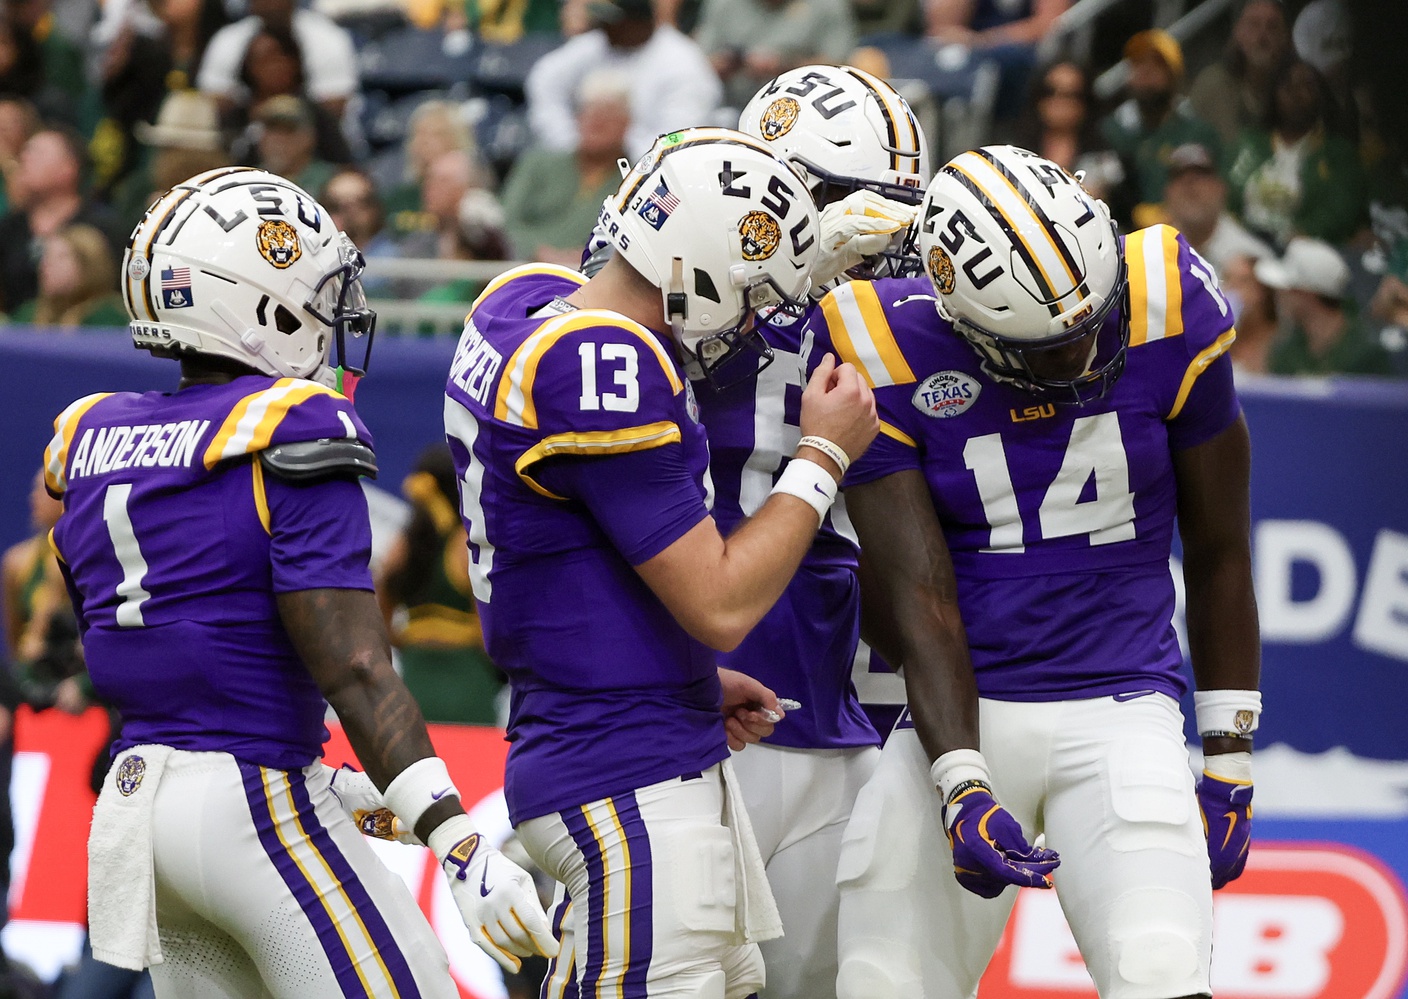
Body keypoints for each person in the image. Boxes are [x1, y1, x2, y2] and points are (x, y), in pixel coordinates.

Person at [45, 166, 556, 993]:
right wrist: (458, 842)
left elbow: (132, 638)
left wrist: (327, 775)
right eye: (314, 295)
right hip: (248, 801)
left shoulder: (89, 435)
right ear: (257, 301)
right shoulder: (292, 424)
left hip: (137, 806)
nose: (330, 318)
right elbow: (355, 664)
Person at [809, 145, 1262, 999]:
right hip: (966, 704)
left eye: (1095, 320)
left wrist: (1230, 752)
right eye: (1052, 346)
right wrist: (960, 783)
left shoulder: (1167, 290)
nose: (1085, 354)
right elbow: (920, 594)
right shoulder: (881, 338)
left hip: (1123, 703)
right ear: (963, 322)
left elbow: (1220, 544)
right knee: (880, 979)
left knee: (1160, 966)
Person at [444, 126, 878, 997]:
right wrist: (822, 456)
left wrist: (676, 678)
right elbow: (719, 606)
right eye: (753, 294)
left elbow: (567, 550)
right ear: (702, 272)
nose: (755, 320)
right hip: (624, 782)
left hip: (599, 734)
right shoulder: (607, 361)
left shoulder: (520, 301)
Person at [376, 445, 503, 725]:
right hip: (468, 682)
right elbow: (487, 631)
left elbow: (380, 617)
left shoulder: (402, 546)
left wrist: (412, 640)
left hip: (415, 683)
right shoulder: (466, 545)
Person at [525, 0, 722, 159]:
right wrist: (570, 142)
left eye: (613, 21)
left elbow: (677, 140)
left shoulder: (683, 64)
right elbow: (544, 79)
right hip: (586, 161)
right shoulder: (600, 42)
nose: (603, 26)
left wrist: (616, 155)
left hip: (647, 173)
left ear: (638, 22)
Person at [1224, 57, 1366, 249]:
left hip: (1306, 250)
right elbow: (1225, 192)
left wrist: (1300, 234)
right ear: (1274, 93)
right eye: (1287, 85)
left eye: (1307, 85)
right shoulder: (1249, 143)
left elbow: (1340, 212)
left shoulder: (1339, 153)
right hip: (1241, 245)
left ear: (1321, 95)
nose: (1296, 93)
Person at [501, 68, 632, 266]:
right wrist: (538, 252)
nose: (597, 121)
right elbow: (505, 220)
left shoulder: (635, 181)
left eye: (608, 113)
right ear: (578, 118)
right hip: (523, 270)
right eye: (590, 111)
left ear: (627, 124)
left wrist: (593, 256)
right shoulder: (537, 163)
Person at [1100, 30, 1221, 227]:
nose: (1145, 72)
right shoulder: (1113, 131)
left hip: (1184, 230)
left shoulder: (1197, 133)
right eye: (1138, 63)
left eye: (1157, 64)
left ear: (1175, 75)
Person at [0, 127, 124, 314]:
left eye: (38, 153)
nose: (24, 158)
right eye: (25, 151)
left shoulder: (103, 228)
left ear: (69, 169)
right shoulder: (10, 227)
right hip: (20, 333)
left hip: (86, 333)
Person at [196, 0, 358, 123]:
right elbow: (211, 103)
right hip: (243, 133)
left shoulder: (327, 37)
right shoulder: (229, 38)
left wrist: (281, 113)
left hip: (317, 141)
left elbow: (335, 107)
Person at [1258, 236, 1393, 376]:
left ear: (1307, 293)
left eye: (1289, 288)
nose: (1280, 295)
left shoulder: (1364, 351)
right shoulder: (1287, 351)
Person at [695, 0, 857, 109]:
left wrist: (784, 66)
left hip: (806, 108)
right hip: (731, 105)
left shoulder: (828, 5)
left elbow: (840, 68)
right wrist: (731, 61)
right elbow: (697, 66)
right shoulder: (722, 4)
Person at [1010, 60, 1121, 200]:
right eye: (1050, 91)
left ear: (1086, 101)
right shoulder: (1013, 153)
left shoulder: (1104, 161)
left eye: (1071, 94)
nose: (1059, 100)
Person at [1160, 142, 1273, 275]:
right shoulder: (1150, 255)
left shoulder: (1251, 257)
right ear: (1166, 193)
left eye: (1201, 175)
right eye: (1178, 176)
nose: (1189, 184)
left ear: (1221, 188)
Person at [1188, 0, 1290, 147]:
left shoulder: (1294, 90)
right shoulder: (1212, 86)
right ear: (1238, 32)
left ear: (1284, 37)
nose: (1262, 36)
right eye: (1254, 25)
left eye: (1272, 27)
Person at [9, 224, 127, 327]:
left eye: (60, 257)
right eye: (46, 256)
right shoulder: (28, 314)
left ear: (89, 263)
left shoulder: (109, 316)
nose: (46, 265)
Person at [250, 95, 338, 196]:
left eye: (287, 130)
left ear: (308, 137)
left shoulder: (331, 181)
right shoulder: (251, 179)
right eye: (270, 130)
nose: (277, 139)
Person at [1221, 253, 1279, 374]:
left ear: (1262, 290)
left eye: (1243, 281)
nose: (1232, 289)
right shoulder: (1215, 344)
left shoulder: (1277, 343)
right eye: (1227, 278)